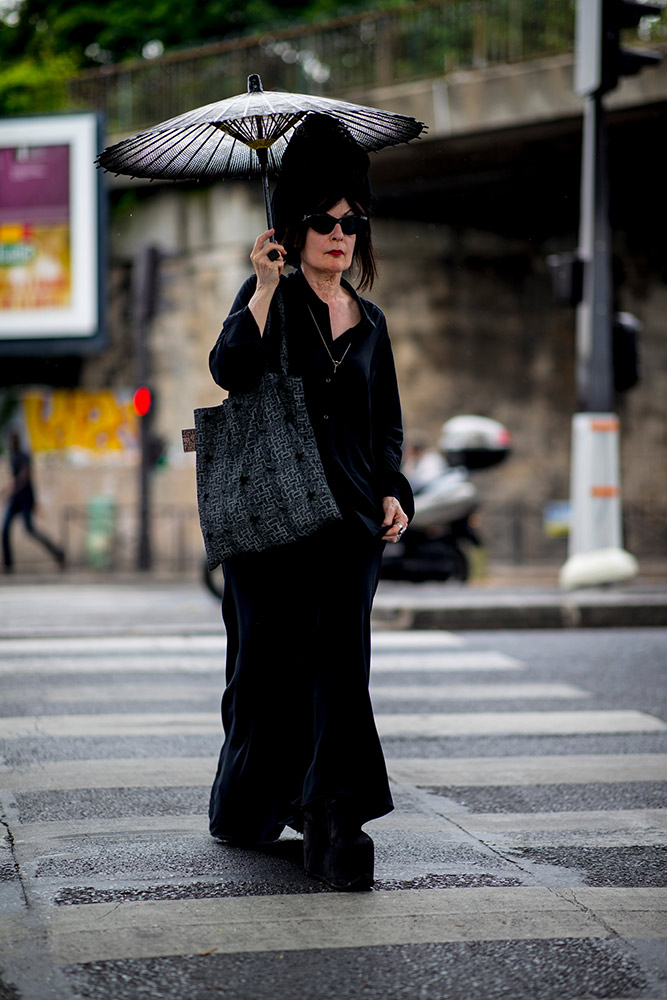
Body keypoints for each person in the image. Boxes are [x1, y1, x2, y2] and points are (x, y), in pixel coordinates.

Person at [207, 115, 413, 891]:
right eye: (323, 222)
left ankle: (335, 817)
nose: (338, 235)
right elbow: (230, 369)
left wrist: (393, 490)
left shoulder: (372, 324)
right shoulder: (270, 297)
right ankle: (248, 803)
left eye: (350, 222)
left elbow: (384, 425)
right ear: (292, 230)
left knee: (339, 667)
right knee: (265, 670)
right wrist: (261, 287)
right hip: (272, 530)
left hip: (351, 526)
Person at [2, 430, 65, 573]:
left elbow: (25, 475)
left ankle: (57, 552)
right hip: (15, 499)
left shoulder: (24, 456)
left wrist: (11, 487)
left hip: (26, 499)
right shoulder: (13, 457)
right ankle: (8, 564)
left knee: (30, 530)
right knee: (4, 529)